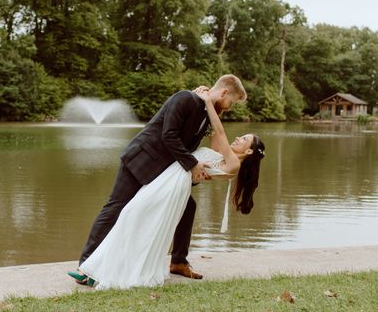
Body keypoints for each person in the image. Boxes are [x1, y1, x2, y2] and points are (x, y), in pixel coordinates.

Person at [75, 87, 266, 290]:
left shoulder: (231, 159)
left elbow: (216, 136)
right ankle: (87, 263)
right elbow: (191, 135)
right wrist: (203, 104)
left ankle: (177, 261)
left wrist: (209, 105)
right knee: (117, 208)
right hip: (144, 161)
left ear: (248, 150)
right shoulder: (191, 104)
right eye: (233, 102)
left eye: (244, 139)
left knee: (175, 209)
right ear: (224, 92)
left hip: (174, 175)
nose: (231, 107)